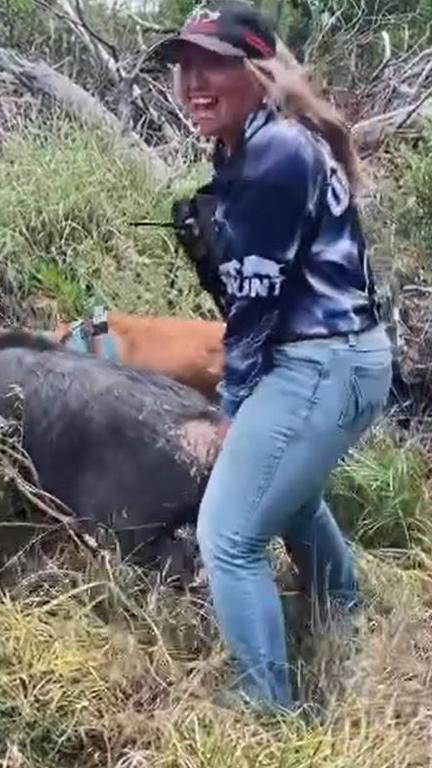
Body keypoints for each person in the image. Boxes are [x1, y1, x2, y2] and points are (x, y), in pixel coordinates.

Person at [150, 1, 393, 713]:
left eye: (213, 64)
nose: (193, 81)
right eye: (184, 66)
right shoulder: (258, 143)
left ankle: (264, 709)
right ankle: (342, 610)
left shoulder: (274, 152)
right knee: (288, 498)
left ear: (256, 72)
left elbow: (255, 303)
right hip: (337, 358)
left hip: (321, 363)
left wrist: (231, 412)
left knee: (226, 536)